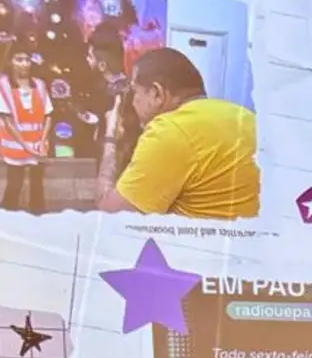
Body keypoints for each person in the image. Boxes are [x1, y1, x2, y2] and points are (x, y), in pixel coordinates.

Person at [97, 47, 259, 220]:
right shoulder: (244, 115)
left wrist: (110, 136)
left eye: (135, 92)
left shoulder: (169, 130)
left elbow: (110, 212)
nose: (133, 102)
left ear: (157, 93)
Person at [0, 45, 51, 215]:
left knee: (37, 189)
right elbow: (7, 122)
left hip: (38, 148)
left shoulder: (39, 85)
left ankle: (38, 220)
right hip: (15, 149)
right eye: (19, 59)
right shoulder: (1, 86)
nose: (24, 63)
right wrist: (27, 147)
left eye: (27, 59)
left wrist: (42, 141)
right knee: (14, 187)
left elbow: (48, 115)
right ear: (10, 62)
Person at [86, 24, 141, 174]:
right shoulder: (102, 88)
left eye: (90, 57)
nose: (87, 60)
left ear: (102, 65)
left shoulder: (123, 93)